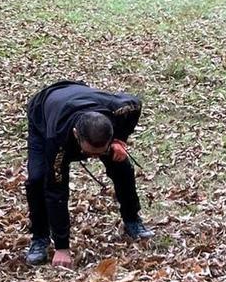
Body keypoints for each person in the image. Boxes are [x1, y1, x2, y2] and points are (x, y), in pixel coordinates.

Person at [24, 80, 152, 267]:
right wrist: (62, 247)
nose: (94, 158)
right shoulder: (57, 139)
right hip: (43, 113)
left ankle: (132, 219)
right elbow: (56, 191)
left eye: (99, 153)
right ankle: (40, 239)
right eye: (91, 153)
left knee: (121, 165)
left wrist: (119, 140)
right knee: (38, 180)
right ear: (76, 135)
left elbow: (136, 103)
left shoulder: (120, 109)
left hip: (85, 101)